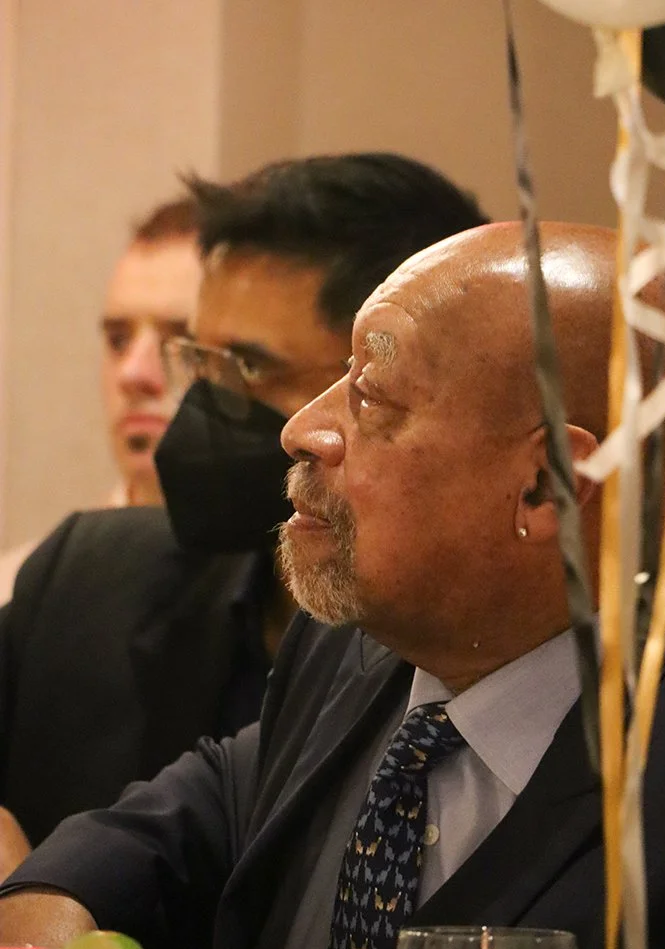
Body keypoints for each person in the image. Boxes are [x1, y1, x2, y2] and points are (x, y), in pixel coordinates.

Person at [4, 221, 665, 949]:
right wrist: (51, 904)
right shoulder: (366, 635)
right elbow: (218, 802)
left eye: (370, 397)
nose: (301, 428)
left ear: (548, 486)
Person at [0, 153, 489, 863]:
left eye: (251, 368)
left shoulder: (463, 660)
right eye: (201, 363)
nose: (205, 406)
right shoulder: (83, 584)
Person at [0, 197, 201, 603]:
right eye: (118, 340)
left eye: (180, 342)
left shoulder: (287, 611)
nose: (132, 374)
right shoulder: (21, 594)